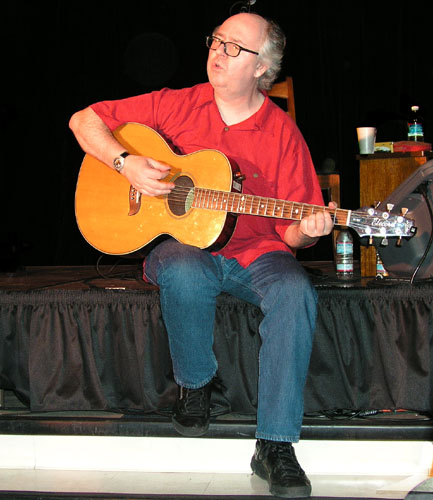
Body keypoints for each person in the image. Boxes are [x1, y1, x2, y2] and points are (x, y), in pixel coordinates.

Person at [70, 12, 335, 498]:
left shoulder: (281, 133)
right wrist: (125, 163)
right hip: (186, 248)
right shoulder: (177, 104)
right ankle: (196, 384)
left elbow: (294, 233)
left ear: (263, 67)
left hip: (258, 253)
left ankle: (275, 445)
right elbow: (83, 120)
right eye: (217, 40)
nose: (218, 51)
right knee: (183, 267)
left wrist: (310, 230)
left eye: (235, 47)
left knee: (295, 290)